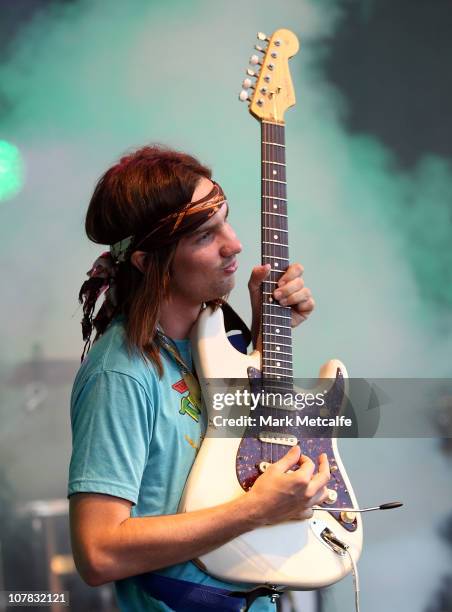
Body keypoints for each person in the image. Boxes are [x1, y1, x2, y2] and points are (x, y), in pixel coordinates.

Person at [68, 145, 330, 612]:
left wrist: (265, 339)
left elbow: (238, 462)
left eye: (226, 221)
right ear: (149, 263)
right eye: (205, 236)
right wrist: (255, 511)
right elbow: (98, 552)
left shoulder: (211, 341)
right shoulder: (122, 374)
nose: (234, 244)